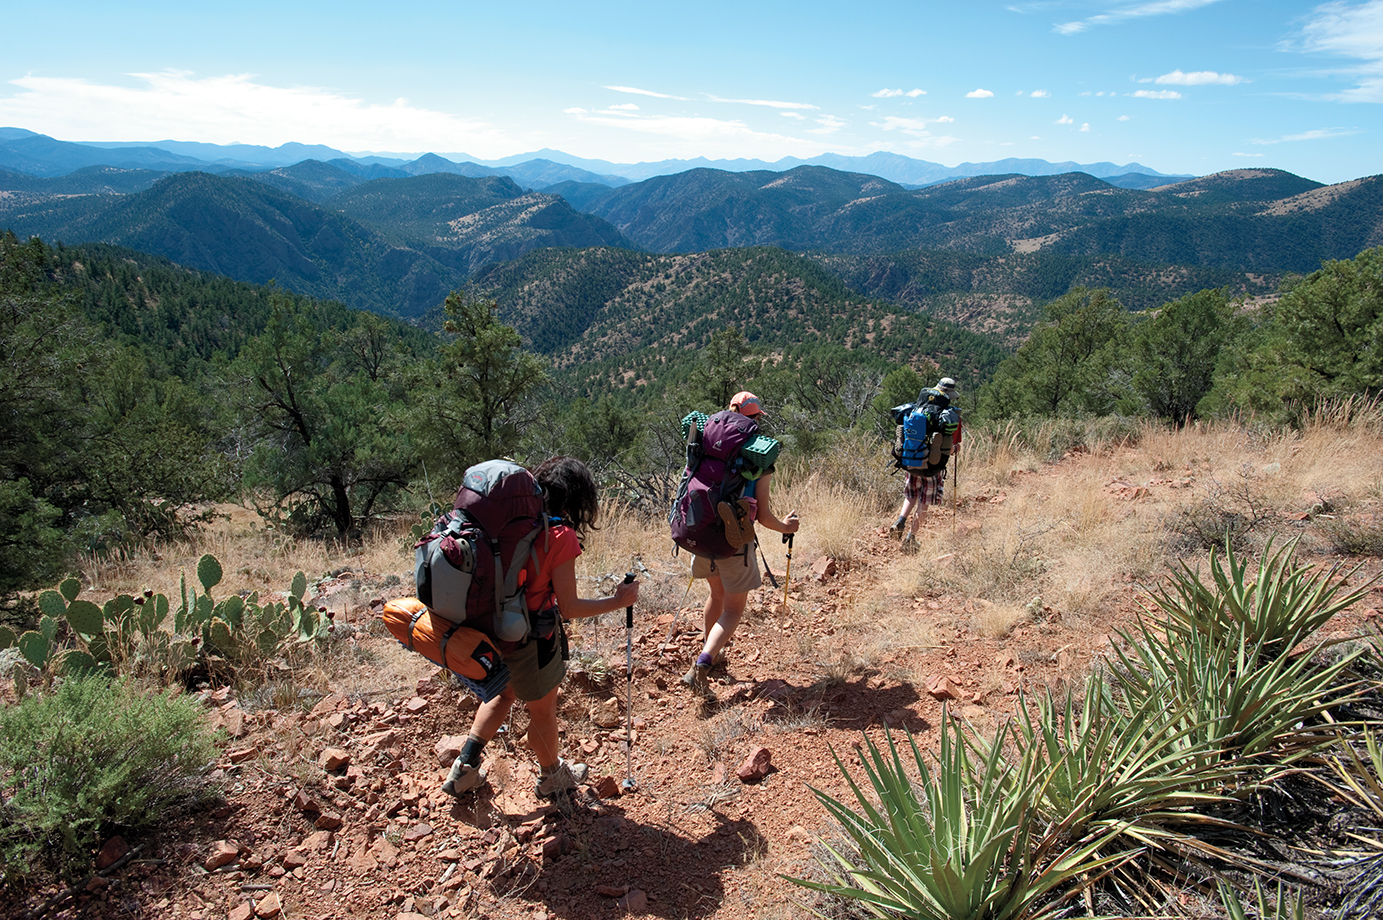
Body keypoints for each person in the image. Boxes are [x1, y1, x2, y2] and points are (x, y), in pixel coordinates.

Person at [442, 457, 640, 801]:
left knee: (504, 693)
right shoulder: (557, 536)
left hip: (483, 629)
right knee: (543, 711)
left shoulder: (507, 525)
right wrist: (618, 600)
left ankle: (464, 769)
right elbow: (571, 607)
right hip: (529, 638)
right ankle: (553, 777)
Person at [680, 391, 800, 702]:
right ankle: (703, 663)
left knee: (715, 595)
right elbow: (764, 516)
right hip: (733, 540)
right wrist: (787, 527)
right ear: (755, 419)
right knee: (733, 609)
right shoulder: (760, 457)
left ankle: (713, 652)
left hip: (699, 532)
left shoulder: (704, 444)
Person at [889, 377, 962, 551]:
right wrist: (955, 449)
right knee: (924, 501)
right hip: (932, 467)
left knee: (911, 495)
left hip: (912, 460)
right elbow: (950, 449)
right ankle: (911, 538)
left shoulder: (917, 407)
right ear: (949, 395)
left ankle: (900, 521)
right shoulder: (949, 416)